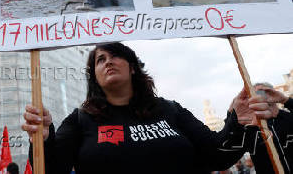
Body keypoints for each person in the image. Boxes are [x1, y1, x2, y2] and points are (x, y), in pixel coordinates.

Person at [22, 42, 276, 174]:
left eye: (114, 55)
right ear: (95, 76)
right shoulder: (81, 119)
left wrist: (236, 122)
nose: (108, 61)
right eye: (100, 59)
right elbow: (52, 170)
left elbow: (217, 154)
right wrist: (43, 139)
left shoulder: (170, 110)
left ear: (132, 66)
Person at [239, 83, 293, 173]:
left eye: (263, 92)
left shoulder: (289, 118)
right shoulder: (251, 128)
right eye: (253, 94)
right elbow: (227, 146)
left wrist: (285, 100)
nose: (259, 96)